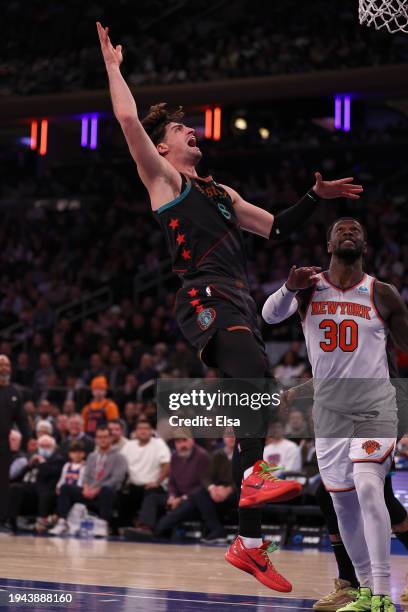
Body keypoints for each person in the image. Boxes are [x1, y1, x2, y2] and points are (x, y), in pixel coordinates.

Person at [96, 20, 362, 592]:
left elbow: (276, 227)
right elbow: (124, 120)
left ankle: (247, 539)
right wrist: (115, 68)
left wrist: (315, 196)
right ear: (162, 145)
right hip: (204, 294)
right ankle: (252, 504)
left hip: (237, 297)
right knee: (257, 387)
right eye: (178, 128)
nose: (190, 131)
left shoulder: (221, 192)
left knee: (252, 402)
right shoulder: (165, 179)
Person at [262, 217, 408, 611]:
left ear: (365, 245)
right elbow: (269, 315)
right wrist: (288, 287)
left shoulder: (383, 293)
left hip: (375, 406)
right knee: (341, 501)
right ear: (328, 244)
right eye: (341, 229)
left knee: (367, 486)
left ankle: (381, 594)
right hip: (328, 413)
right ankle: (361, 588)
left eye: (356, 229)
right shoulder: (309, 289)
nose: (348, 231)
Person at [50, 425, 127, 536]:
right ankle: (62, 522)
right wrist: (86, 487)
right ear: (96, 439)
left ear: (111, 438)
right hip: (89, 490)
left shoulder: (119, 456)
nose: (102, 440)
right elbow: (86, 476)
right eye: (99, 437)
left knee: (107, 490)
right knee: (65, 488)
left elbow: (117, 478)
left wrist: (97, 489)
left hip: (107, 492)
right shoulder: (92, 456)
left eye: (105, 436)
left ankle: (103, 525)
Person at [120, 419, 171, 534]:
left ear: (152, 431)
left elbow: (167, 464)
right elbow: (121, 464)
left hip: (153, 485)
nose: (143, 431)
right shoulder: (129, 445)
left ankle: (145, 528)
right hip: (133, 485)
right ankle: (122, 527)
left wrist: (158, 482)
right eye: (140, 429)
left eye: (146, 429)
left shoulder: (159, 444)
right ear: (135, 432)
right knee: (121, 494)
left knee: (151, 494)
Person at [7, 434, 65, 533]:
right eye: (42, 446)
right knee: (14, 487)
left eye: (47, 446)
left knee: (42, 492)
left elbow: (49, 473)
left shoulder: (58, 459)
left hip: (47, 490)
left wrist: (42, 463)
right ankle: (10, 521)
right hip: (31, 488)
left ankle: (41, 522)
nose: (44, 449)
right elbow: (20, 476)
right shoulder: (34, 457)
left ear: (53, 447)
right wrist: (29, 465)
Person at [0, 355, 31, 533]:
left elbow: (22, 420)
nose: (4, 368)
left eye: (7, 365)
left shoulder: (14, 392)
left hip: (4, 443)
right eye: (1, 364)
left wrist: (29, 440)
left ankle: (2, 520)